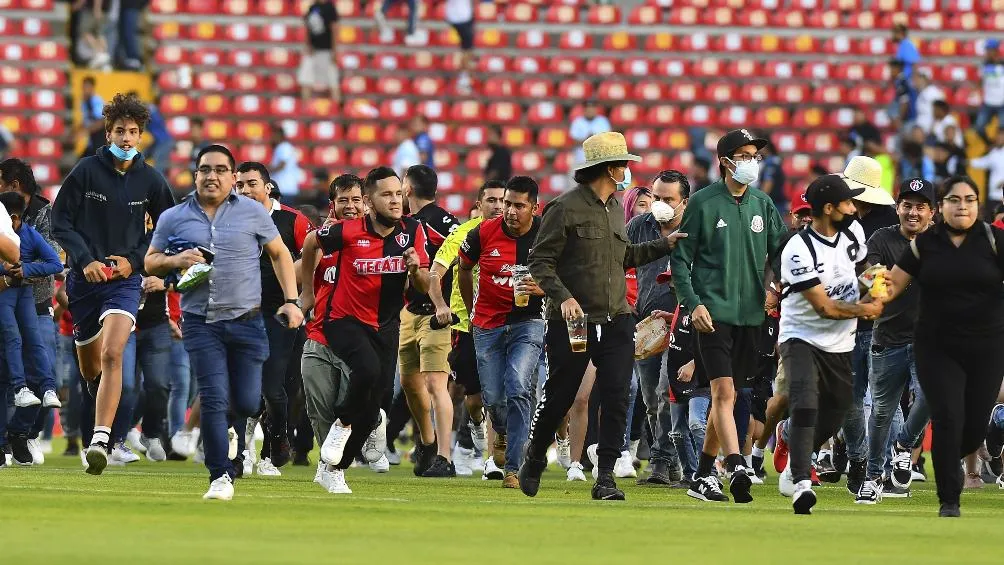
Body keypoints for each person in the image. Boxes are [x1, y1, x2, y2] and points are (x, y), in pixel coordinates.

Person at [519, 131, 685, 501]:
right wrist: (562, 297)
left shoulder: (613, 208)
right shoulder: (564, 208)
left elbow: (622, 258)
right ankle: (534, 456)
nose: (627, 170)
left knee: (616, 396)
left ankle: (605, 475)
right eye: (624, 164)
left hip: (616, 318)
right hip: (575, 320)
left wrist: (663, 245)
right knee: (561, 394)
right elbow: (539, 262)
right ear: (609, 168)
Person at [145, 144, 303, 500]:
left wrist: (292, 301)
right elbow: (150, 261)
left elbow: (280, 254)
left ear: (233, 177)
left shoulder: (253, 213)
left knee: (248, 402)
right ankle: (220, 474)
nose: (211, 176)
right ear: (195, 174)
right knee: (214, 398)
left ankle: (229, 431)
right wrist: (176, 260)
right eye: (204, 169)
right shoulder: (173, 216)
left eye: (219, 170)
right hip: (201, 322)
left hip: (248, 320)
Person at [52, 92, 176, 475]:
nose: (126, 138)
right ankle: (97, 399)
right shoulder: (86, 171)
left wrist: (135, 261)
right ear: (108, 133)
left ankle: (102, 439)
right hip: (84, 284)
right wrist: (85, 260)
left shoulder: (152, 179)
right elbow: (61, 223)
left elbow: (168, 230)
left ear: (141, 137)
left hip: (125, 283)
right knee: (91, 369)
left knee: (113, 353)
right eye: (119, 130)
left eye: (133, 132)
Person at [670, 128, 787, 504]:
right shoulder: (703, 203)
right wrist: (694, 305)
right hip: (712, 315)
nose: (752, 161)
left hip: (752, 317)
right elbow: (681, 261)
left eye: (755, 155)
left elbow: (781, 252)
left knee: (731, 393)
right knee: (724, 391)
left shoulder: (763, 204)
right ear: (725, 161)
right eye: (745, 155)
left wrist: (777, 287)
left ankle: (702, 475)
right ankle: (736, 465)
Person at [877, 175, 1004, 517]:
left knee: (974, 423)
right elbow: (892, 285)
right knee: (946, 415)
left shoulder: (994, 240)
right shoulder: (925, 244)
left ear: (978, 206)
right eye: (954, 200)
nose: (961, 206)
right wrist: (868, 293)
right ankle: (950, 498)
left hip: (986, 346)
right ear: (942, 207)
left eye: (969, 200)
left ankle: (950, 454)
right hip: (936, 345)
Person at [300, 166, 431, 495]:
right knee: (367, 370)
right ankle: (341, 424)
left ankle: (336, 469)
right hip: (343, 320)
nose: (395, 200)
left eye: (398, 193)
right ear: (370, 201)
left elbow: (422, 286)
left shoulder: (413, 232)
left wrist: (415, 270)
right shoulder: (347, 231)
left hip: (386, 326)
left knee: (375, 404)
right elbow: (310, 241)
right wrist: (306, 293)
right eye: (386, 195)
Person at [774, 174, 882, 514]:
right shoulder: (798, 248)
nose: (854, 207)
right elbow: (825, 306)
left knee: (836, 414)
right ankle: (802, 482)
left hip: (840, 342)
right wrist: (867, 309)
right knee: (805, 401)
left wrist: (880, 289)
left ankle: (793, 446)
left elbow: (867, 271)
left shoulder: (852, 235)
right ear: (829, 208)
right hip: (801, 335)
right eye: (848, 202)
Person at [456, 176, 543, 488]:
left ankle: (515, 468)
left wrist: (542, 288)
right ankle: (503, 432)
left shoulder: (546, 234)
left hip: (528, 322)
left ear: (534, 207)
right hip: (487, 324)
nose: (510, 211)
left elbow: (567, 273)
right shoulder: (483, 232)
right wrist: (471, 311)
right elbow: (463, 268)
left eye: (519, 205)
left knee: (519, 385)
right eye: (508, 203)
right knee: (493, 397)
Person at [852, 178, 935, 504]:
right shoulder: (881, 238)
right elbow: (873, 276)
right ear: (898, 207)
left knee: (929, 396)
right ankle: (874, 477)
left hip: (930, 339)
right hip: (886, 336)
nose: (913, 212)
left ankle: (903, 446)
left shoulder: (942, 244)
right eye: (907, 205)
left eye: (920, 207)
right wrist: (874, 281)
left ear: (932, 212)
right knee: (883, 411)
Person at [299, 173, 380, 491]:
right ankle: (331, 467)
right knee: (320, 409)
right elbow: (294, 271)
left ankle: (374, 422)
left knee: (356, 408)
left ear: (366, 203)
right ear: (332, 205)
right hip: (319, 336)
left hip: (359, 340)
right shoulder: (322, 241)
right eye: (343, 200)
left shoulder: (380, 241)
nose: (350, 206)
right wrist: (306, 292)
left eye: (356, 200)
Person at [235, 162, 314, 470]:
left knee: (275, 389)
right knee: (241, 385)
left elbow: (314, 260)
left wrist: (299, 301)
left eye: (251, 184)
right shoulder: (228, 219)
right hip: (240, 312)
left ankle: (275, 440)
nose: (244, 190)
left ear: (267, 187)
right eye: (239, 185)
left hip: (281, 314)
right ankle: (239, 454)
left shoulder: (293, 220)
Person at [427, 180, 506, 477]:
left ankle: (492, 462)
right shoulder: (462, 234)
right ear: (480, 203)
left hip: (505, 323)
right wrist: (440, 306)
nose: (498, 206)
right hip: (466, 325)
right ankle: (475, 425)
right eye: (492, 200)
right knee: (474, 397)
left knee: (497, 393)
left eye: (503, 200)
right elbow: (436, 273)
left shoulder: (518, 234)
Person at [625, 170, 690, 485]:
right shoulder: (639, 227)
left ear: (684, 202)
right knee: (652, 399)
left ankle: (661, 463)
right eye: (656, 198)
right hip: (647, 325)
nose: (660, 204)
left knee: (668, 392)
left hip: (683, 323)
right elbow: (617, 261)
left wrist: (681, 312)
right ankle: (673, 461)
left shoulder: (697, 228)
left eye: (668, 199)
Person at [399, 165, 461, 476]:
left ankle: (445, 457)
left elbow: (457, 260)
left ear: (407, 190)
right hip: (410, 312)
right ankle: (427, 442)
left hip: (439, 313)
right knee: (410, 383)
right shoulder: (447, 221)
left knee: (437, 384)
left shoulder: (428, 223)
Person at [0, 192, 63, 464]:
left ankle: (22, 428)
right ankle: (4, 442)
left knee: (33, 345)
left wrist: (26, 269)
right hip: (7, 294)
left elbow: (56, 262)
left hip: (26, 297)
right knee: (12, 348)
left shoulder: (28, 232)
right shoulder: (16, 232)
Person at [299, 0, 341, 102]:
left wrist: (334, 51)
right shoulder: (312, 7)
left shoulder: (330, 7)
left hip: (327, 50)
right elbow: (307, 28)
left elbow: (334, 29)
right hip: (313, 51)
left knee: (332, 81)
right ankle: (306, 109)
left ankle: (336, 107)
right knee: (306, 79)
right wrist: (307, 45)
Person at [974, 39, 1004, 144]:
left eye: (988, 50)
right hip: (988, 102)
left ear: (995, 51)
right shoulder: (984, 65)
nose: (986, 53)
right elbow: (979, 81)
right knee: (979, 127)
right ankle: (990, 145)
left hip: (1002, 103)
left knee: (1002, 129)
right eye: (986, 50)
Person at [970, 130, 1004, 218]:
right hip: (992, 195)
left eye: (1001, 136)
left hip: (1001, 196)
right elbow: (983, 162)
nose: (999, 138)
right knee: (992, 222)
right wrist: (967, 162)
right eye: (998, 136)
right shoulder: (994, 153)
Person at [445, 0, 474, 95]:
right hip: (455, 18)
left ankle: (463, 77)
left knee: (467, 49)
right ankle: (462, 77)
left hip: (464, 17)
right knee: (465, 50)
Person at [569, 101, 611, 166]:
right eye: (588, 109)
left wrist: (595, 140)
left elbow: (608, 140)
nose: (590, 111)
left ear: (595, 110)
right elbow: (572, 142)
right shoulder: (577, 122)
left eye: (592, 108)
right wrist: (587, 141)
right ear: (584, 110)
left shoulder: (603, 121)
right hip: (581, 159)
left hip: (600, 159)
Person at [270, 125, 302, 197]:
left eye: (273, 135)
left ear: (279, 135)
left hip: (285, 188)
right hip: (285, 189)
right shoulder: (284, 147)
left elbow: (282, 165)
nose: (272, 137)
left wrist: (264, 172)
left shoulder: (283, 147)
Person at [79, 77, 106, 159]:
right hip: (92, 140)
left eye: (87, 87)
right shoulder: (84, 102)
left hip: (100, 140)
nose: (85, 90)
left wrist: (84, 132)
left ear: (92, 88)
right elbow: (86, 121)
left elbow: (101, 122)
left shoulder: (96, 100)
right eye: (84, 87)